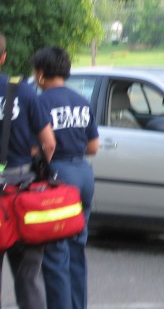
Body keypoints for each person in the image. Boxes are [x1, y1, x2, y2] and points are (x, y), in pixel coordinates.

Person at [32, 47, 99, 309]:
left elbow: (39, 146)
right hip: (84, 175)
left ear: (40, 74)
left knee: (54, 253)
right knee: (76, 250)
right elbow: (93, 147)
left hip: (59, 177)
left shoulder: (40, 102)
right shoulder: (82, 100)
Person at [0, 33, 56, 309]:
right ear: (3, 57)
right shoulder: (21, 90)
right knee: (28, 277)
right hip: (23, 193)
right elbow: (49, 142)